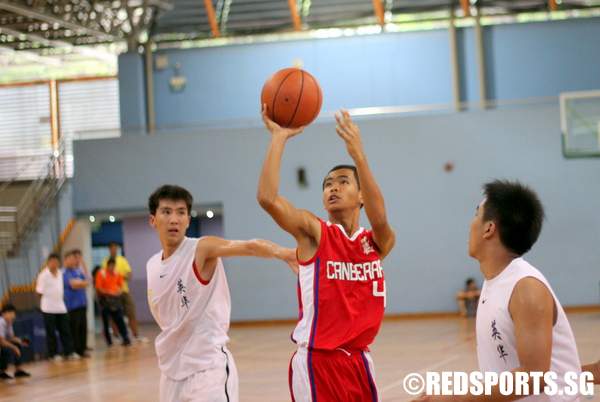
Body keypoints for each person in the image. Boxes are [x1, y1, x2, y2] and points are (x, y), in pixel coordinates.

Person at [257, 108, 396, 400]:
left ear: (361, 197)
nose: (333, 187)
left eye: (343, 181)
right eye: (328, 185)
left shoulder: (376, 242)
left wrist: (359, 156)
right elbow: (267, 199)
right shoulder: (315, 233)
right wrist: (279, 138)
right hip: (318, 362)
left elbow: (380, 218)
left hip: (359, 361)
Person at [415, 180, 582, 402]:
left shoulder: (526, 288)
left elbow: (533, 377)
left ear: (489, 228)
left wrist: (454, 399)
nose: (470, 224)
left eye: (476, 215)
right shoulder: (494, 281)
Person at [145, 184, 296, 402]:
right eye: (166, 212)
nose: (174, 219)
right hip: (170, 374)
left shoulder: (201, 249)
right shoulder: (152, 265)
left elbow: (249, 247)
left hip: (208, 371)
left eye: (181, 212)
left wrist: (285, 253)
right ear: (153, 220)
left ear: (188, 220)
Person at [35, 253, 78, 361]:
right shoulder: (43, 275)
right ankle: (53, 354)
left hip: (61, 307)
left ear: (58, 263)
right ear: (48, 262)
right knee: (51, 333)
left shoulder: (60, 273)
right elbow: (39, 292)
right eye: (52, 261)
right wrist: (48, 300)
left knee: (65, 331)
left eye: (56, 261)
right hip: (48, 308)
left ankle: (69, 352)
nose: (54, 264)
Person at [102, 241, 146, 342]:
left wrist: (120, 276)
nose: (114, 250)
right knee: (114, 316)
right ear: (109, 249)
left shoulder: (122, 260)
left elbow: (129, 274)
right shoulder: (105, 262)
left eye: (115, 248)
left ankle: (136, 335)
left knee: (131, 312)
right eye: (112, 248)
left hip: (124, 291)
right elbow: (105, 277)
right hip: (111, 294)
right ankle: (117, 336)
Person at [95, 258, 131, 347]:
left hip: (115, 300)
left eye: (113, 266)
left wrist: (118, 291)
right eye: (110, 266)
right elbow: (99, 288)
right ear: (107, 265)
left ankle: (126, 339)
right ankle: (109, 342)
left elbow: (120, 285)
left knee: (119, 320)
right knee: (106, 322)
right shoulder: (101, 273)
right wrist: (108, 292)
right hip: (105, 300)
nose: (112, 267)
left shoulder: (116, 273)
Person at [62, 250, 89, 357]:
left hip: (82, 303)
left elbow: (88, 280)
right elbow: (73, 285)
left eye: (76, 259)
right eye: (72, 259)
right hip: (72, 305)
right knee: (74, 329)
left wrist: (83, 264)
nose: (74, 261)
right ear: (66, 260)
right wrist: (82, 283)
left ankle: (82, 350)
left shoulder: (77, 271)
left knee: (83, 328)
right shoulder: (64, 272)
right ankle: (74, 350)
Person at [0, 304, 31, 379]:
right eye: (10, 313)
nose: (12, 315)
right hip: (1, 342)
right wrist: (14, 348)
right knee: (6, 349)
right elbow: (1, 341)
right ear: (4, 314)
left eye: (13, 313)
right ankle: (1, 372)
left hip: (2, 342)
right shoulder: (1, 322)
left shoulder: (9, 322)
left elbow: (11, 337)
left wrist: (20, 341)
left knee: (17, 344)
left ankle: (18, 371)